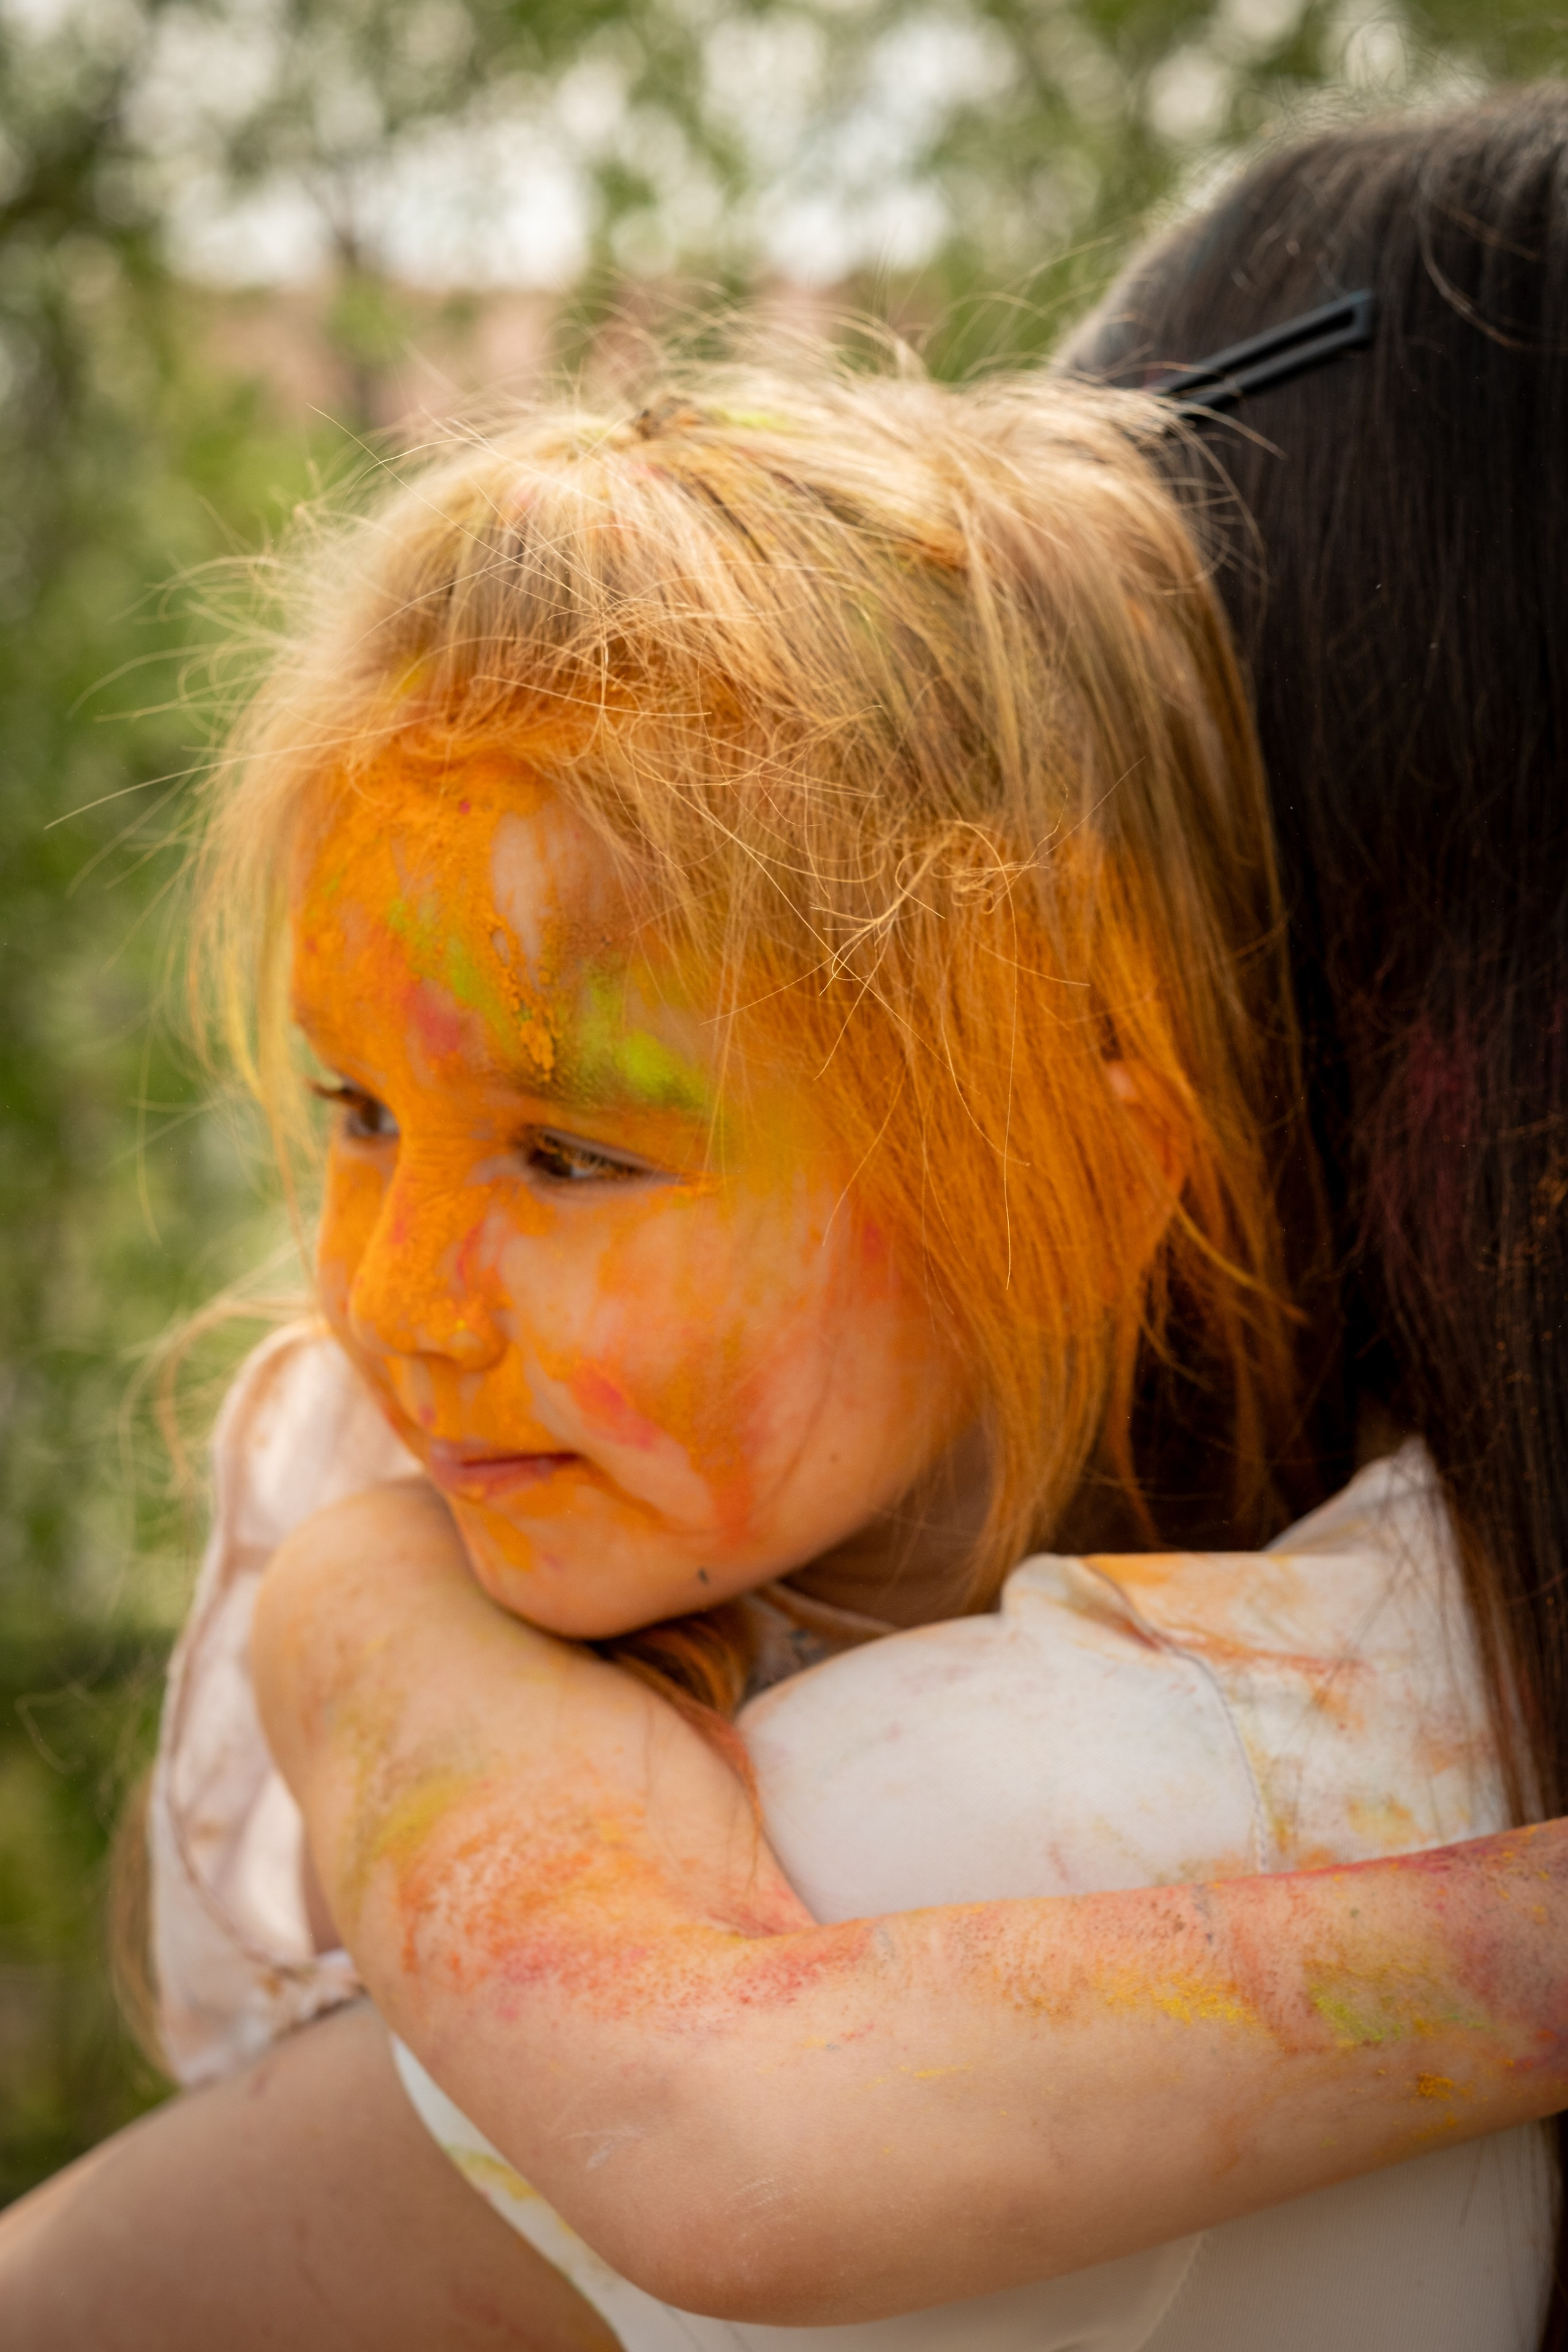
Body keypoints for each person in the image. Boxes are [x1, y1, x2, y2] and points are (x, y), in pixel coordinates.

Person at [4, 117, 1568, 2346]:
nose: (395, 1299)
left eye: (571, 1154)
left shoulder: (1237, 1563)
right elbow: (722, 2145)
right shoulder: (391, 1584)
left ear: (1084, 1181)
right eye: (354, 1112)